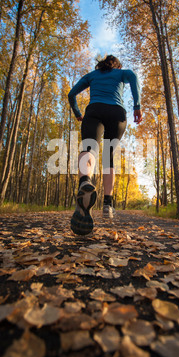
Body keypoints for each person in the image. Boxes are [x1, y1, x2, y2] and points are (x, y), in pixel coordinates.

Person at [68, 54, 142, 236]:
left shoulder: (92, 75)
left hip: (94, 111)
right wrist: (137, 106)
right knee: (109, 155)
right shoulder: (120, 73)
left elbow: (71, 94)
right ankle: (108, 204)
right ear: (117, 65)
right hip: (117, 114)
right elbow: (132, 76)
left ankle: (85, 181)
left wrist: (78, 112)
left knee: (89, 148)